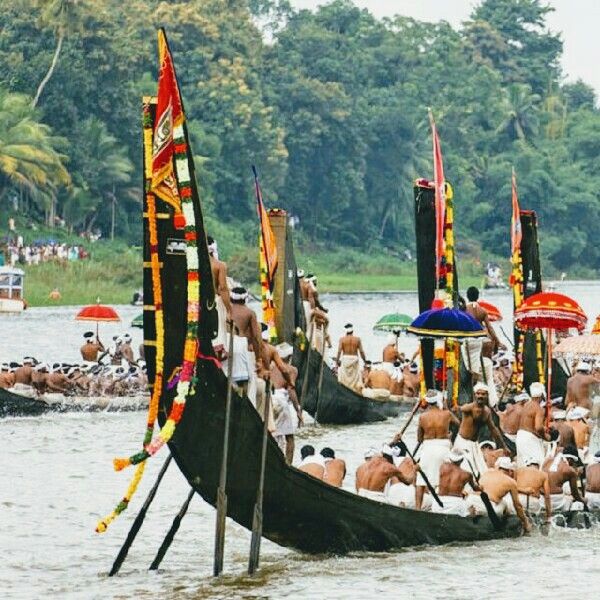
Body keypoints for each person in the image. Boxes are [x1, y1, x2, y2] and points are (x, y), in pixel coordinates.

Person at [415, 390, 460, 510]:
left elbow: (419, 439)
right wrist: (449, 434)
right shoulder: (447, 414)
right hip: (443, 447)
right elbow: (459, 424)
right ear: (438, 401)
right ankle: (441, 508)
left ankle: (417, 509)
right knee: (443, 477)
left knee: (421, 480)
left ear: (428, 403)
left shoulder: (422, 417)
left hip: (428, 448)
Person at [453, 383, 506, 476]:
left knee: (481, 472)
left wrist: (504, 446)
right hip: (463, 443)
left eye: (483, 394)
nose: (480, 396)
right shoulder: (468, 408)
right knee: (464, 470)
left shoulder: (487, 411)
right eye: (478, 394)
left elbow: (493, 429)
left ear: (487, 396)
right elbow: (456, 409)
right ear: (474, 395)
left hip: (474, 445)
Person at [472, 457, 531, 532]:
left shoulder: (487, 472)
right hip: (488, 507)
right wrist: (525, 522)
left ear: (498, 467)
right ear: (510, 471)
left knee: (501, 502)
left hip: (472, 500)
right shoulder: (511, 482)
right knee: (504, 504)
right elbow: (517, 506)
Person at [462, 286, 505, 390]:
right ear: (478, 296)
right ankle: (484, 384)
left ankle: (472, 386)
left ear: (467, 296)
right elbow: (490, 328)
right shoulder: (482, 310)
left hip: (469, 340)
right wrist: (498, 342)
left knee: (469, 368)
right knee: (483, 366)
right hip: (482, 340)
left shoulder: (464, 310)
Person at [229, 286, 264, 404]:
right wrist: (259, 359)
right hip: (240, 347)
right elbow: (256, 337)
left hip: (224, 346)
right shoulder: (249, 312)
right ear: (245, 299)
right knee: (245, 387)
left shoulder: (225, 310)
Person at [432, 450, 477, 517]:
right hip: (456, 504)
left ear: (450, 458)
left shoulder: (443, 466)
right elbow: (475, 488)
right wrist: (481, 488)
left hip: (439, 502)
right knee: (472, 509)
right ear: (462, 460)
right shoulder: (467, 474)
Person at [207, 235, 232, 357]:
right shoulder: (219, 265)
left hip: (196, 304)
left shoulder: (193, 266)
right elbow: (223, 288)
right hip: (215, 304)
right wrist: (229, 310)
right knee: (218, 337)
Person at [543, 445, 587, 512]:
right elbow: (575, 495)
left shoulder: (548, 461)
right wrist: (584, 501)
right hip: (556, 501)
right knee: (578, 503)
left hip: (542, 500)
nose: (572, 465)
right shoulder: (570, 470)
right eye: (573, 462)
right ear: (569, 459)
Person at [516, 382, 548, 468]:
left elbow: (530, 423)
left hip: (520, 436)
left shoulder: (526, 405)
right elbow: (538, 427)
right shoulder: (538, 409)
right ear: (542, 395)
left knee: (523, 466)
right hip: (529, 439)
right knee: (537, 465)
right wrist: (545, 437)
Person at [335, 323, 367, 392]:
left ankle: (345, 391)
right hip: (354, 359)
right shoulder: (357, 339)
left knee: (345, 378)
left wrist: (337, 361)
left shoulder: (342, 339)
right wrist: (365, 361)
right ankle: (354, 391)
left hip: (345, 359)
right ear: (352, 331)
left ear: (346, 331)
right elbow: (361, 351)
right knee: (354, 379)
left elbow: (339, 351)